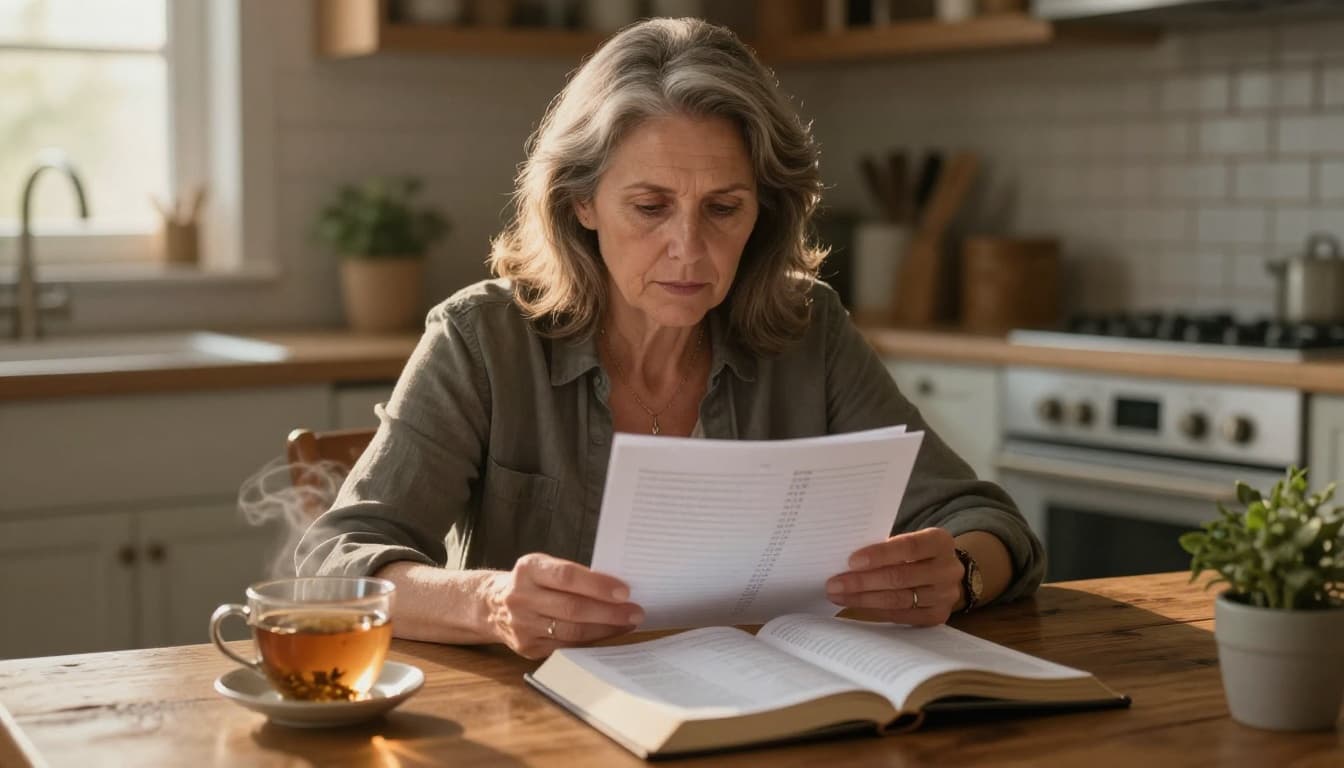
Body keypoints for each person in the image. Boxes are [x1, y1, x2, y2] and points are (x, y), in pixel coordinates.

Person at [296, 18, 1043, 659]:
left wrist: (961, 575)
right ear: (582, 200)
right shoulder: (480, 338)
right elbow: (332, 566)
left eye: (723, 208)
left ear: (764, 214)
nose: (689, 249)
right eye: (650, 206)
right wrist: (488, 601)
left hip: (771, 718)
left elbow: (990, 523)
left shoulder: (808, 332)